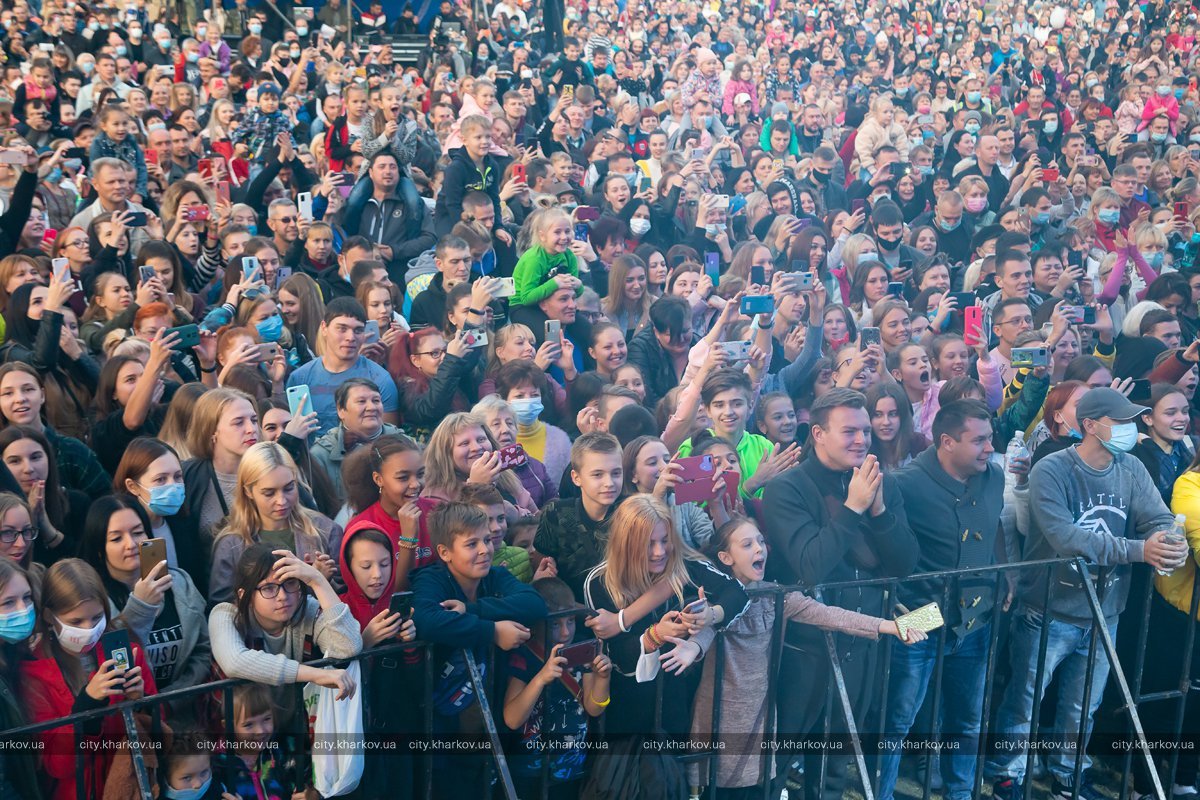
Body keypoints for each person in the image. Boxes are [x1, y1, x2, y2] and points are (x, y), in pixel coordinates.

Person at [987, 387, 1188, 799]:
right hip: (1046, 609)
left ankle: (1068, 775)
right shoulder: (1052, 469)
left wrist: (1170, 539)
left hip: (1105, 612)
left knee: (1083, 705)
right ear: (1091, 425)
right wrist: (1140, 550)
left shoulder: (1131, 467)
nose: (1131, 427)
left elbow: (1157, 516)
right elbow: (1065, 537)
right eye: (1122, 421)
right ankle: (1007, 772)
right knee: (1025, 699)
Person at [761, 387, 918, 799]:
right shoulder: (786, 489)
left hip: (861, 649)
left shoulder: (878, 483)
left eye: (865, 430)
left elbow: (904, 564)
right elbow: (810, 565)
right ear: (818, 433)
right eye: (849, 431)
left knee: (834, 768)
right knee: (776, 767)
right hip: (803, 654)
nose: (862, 439)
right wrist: (853, 508)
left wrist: (878, 511)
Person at [879, 400, 1008, 800]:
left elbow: (996, 528)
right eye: (979, 440)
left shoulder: (994, 476)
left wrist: (1007, 576)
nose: (990, 448)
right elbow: (886, 549)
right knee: (897, 721)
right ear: (948, 442)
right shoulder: (903, 483)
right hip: (919, 616)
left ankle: (960, 794)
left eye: (990, 438)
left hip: (975, 619)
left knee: (967, 720)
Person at [411, 502, 548, 800]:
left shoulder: (494, 576)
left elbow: (535, 603)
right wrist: (493, 631)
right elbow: (427, 620)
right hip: (441, 725)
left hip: (487, 719)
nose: (485, 550)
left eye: (486, 540)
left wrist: (473, 610)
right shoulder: (431, 578)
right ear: (445, 552)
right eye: (472, 544)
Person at [21, 559, 157, 800]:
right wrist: (87, 706)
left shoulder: (128, 651)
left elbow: (158, 736)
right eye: (76, 622)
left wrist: (141, 703)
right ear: (49, 616)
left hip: (129, 788)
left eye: (97, 617)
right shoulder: (33, 673)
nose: (89, 629)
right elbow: (56, 765)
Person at [76, 495, 210, 695]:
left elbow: (202, 651)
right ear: (99, 549)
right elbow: (104, 662)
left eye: (138, 532)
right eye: (116, 538)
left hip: (183, 706)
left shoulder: (180, 582)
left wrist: (170, 702)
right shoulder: (92, 601)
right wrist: (140, 607)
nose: (131, 544)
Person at [503, 576, 612, 797]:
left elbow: (594, 708)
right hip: (529, 772)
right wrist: (540, 678)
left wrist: (602, 678)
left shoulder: (582, 648)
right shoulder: (524, 656)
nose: (565, 632)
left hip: (572, 768)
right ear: (535, 624)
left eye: (570, 621)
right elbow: (512, 719)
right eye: (555, 624)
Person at [209, 442, 342, 605]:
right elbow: (222, 606)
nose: (281, 501)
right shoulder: (231, 544)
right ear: (248, 491)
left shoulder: (326, 530)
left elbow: (346, 596)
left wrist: (322, 582)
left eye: (289, 488)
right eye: (269, 493)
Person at [285, 297, 401, 435]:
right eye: (342, 329)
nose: (350, 337)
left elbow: (388, 439)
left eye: (358, 330)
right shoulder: (300, 378)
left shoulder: (379, 379)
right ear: (324, 328)